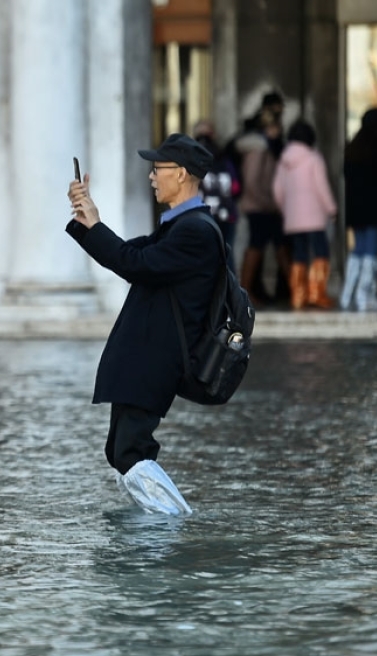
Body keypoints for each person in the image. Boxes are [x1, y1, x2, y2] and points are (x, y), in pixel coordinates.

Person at [65, 133, 223, 515]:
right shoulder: (180, 226)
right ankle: (150, 533)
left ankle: (174, 524)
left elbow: (133, 263)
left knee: (130, 449)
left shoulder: (195, 231)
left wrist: (95, 225)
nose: (152, 177)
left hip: (156, 358)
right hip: (143, 357)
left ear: (182, 174)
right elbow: (131, 253)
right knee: (119, 449)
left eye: (158, 169)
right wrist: (90, 221)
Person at [272, 120, 338, 310]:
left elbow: (277, 190)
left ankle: (298, 296)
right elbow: (322, 187)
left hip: (293, 217)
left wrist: (286, 208)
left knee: (299, 254)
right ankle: (317, 294)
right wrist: (332, 209)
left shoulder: (284, 159)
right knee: (321, 252)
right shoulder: (313, 157)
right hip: (315, 217)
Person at [237, 95, 291, 306]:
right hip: (260, 207)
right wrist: (270, 204)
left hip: (266, 206)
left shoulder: (268, 148)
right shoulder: (258, 149)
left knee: (278, 247)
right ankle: (245, 292)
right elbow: (252, 182)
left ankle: (297, 292)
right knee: (257, 247)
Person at [341, 108, 377, 311]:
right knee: (370, 254)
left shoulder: (352, 149)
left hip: (356, 211)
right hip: (375, 211)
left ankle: (347, 295)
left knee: (358, 252)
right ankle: (364, 296)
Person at [193, 120, 241, 261]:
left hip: (201, 215)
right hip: (226, 214)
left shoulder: (190, 159)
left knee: (203, 257)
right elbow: (236, 187)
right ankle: (228, 284)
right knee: (226, 257)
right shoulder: (225, 158)